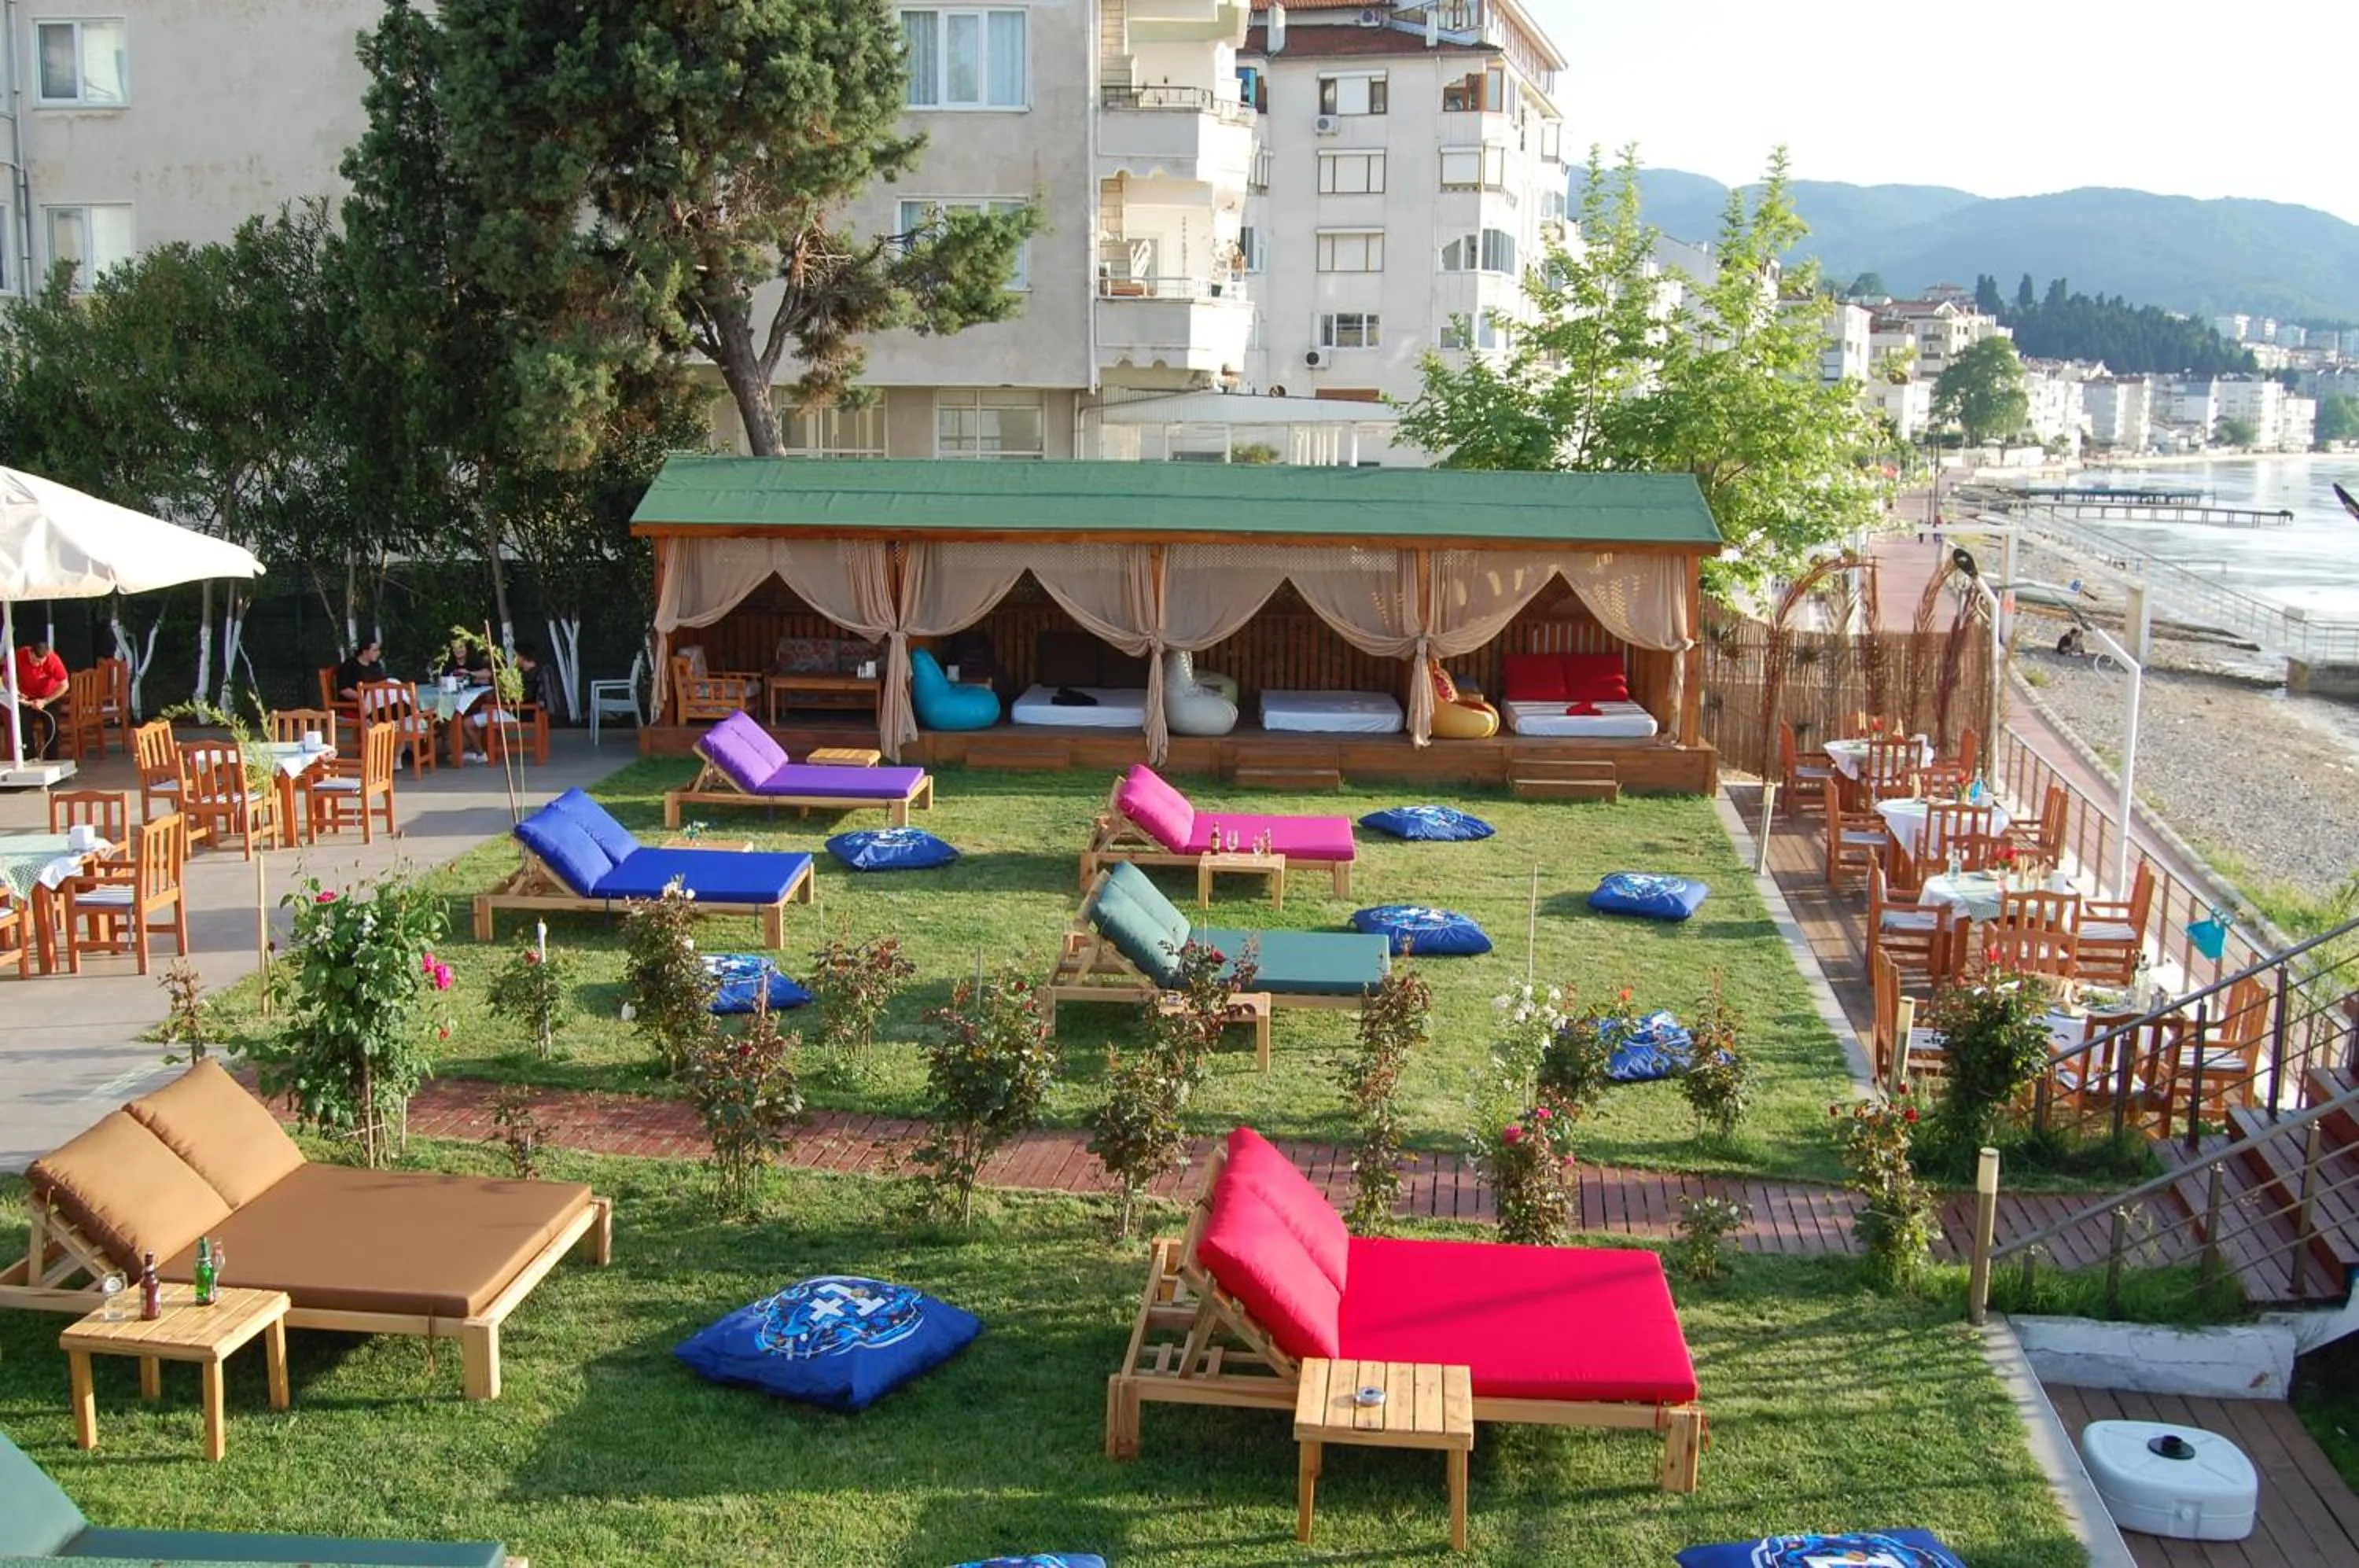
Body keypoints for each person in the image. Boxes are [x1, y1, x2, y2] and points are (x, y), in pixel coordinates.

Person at [6, 638, 68, 760]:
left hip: (49, 696)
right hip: (27, 697)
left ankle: (52, 760)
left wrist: (45, 701)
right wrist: (15, 692)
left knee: (52, 728)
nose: (38, 665)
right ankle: (29, 759)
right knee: (23, 727)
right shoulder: (20, 654)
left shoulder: (53, 660)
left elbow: (64, 685)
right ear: (30, 652)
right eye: (34, 661)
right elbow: (5, 675)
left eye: (41, 662)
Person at [335, 639, 388, 704]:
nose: (379, 653)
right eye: (375, 650)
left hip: (377, 700)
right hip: (358, 703)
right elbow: (344, 689)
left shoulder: (376, 665)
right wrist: (365, 698)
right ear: (365, 652)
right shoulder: (349, 666)